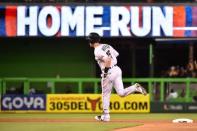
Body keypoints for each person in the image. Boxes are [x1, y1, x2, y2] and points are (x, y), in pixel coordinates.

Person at [87, 32, 147, 122]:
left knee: (105, 94)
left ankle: (106, 116)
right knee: (121, 93)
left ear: (92, 41)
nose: (88, 42)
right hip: (117, 69)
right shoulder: (106, 45)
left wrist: (105, 72)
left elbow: (107, 59)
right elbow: (116, 54)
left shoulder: (97, 50)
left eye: (89, 40)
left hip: (109, 71)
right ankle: (135, 87)